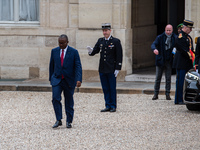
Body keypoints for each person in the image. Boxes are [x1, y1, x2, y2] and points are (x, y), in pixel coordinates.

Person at [87, 23, 123, 112]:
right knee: (105, 88)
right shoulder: (100, 41)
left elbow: (119, 55)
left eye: (106, 30)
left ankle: (113, 106)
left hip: (111, 69)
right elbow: (95, 51)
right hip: (102, 68)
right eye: (103, 31)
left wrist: (118, 68)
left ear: (110, 30)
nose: (105, 32)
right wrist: (90, 51)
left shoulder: (115, 41)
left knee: (112, 88)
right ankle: (107, 105)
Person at [49, 34, 82, 128]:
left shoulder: (74, 52)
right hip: (57, 79)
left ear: (67, 42)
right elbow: (51, 65)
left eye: (63, 43)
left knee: (69, 101)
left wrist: (78, 79)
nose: (61, 45)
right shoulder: (54, 51)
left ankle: (69, 121)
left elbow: (78, 66)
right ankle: (58, 119)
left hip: (69, 80)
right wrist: (51, 78)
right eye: (59, 43)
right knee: (55, 98)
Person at [151, 24, 177, 100]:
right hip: (160, 60)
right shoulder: (160, 37)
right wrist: (154, 49)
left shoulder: (174, 38)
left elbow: (177, 46)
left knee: (168, 78)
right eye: (167, 30)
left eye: (169, 30)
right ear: (165, 30)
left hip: (169, 61)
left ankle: (167, 94)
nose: (168, 32)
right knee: (158, 78)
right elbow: (153, 44)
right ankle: (156, 94)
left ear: (172, 30)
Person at [173, 20, 194, 105]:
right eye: (190, 28)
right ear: (185, 28)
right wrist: (192, 57)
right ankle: (178, 99)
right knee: (180, 82)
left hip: (186, 63)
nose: (191, 30)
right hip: (181, 62)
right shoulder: (180, 37)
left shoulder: (188, 37)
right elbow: (184, 51)